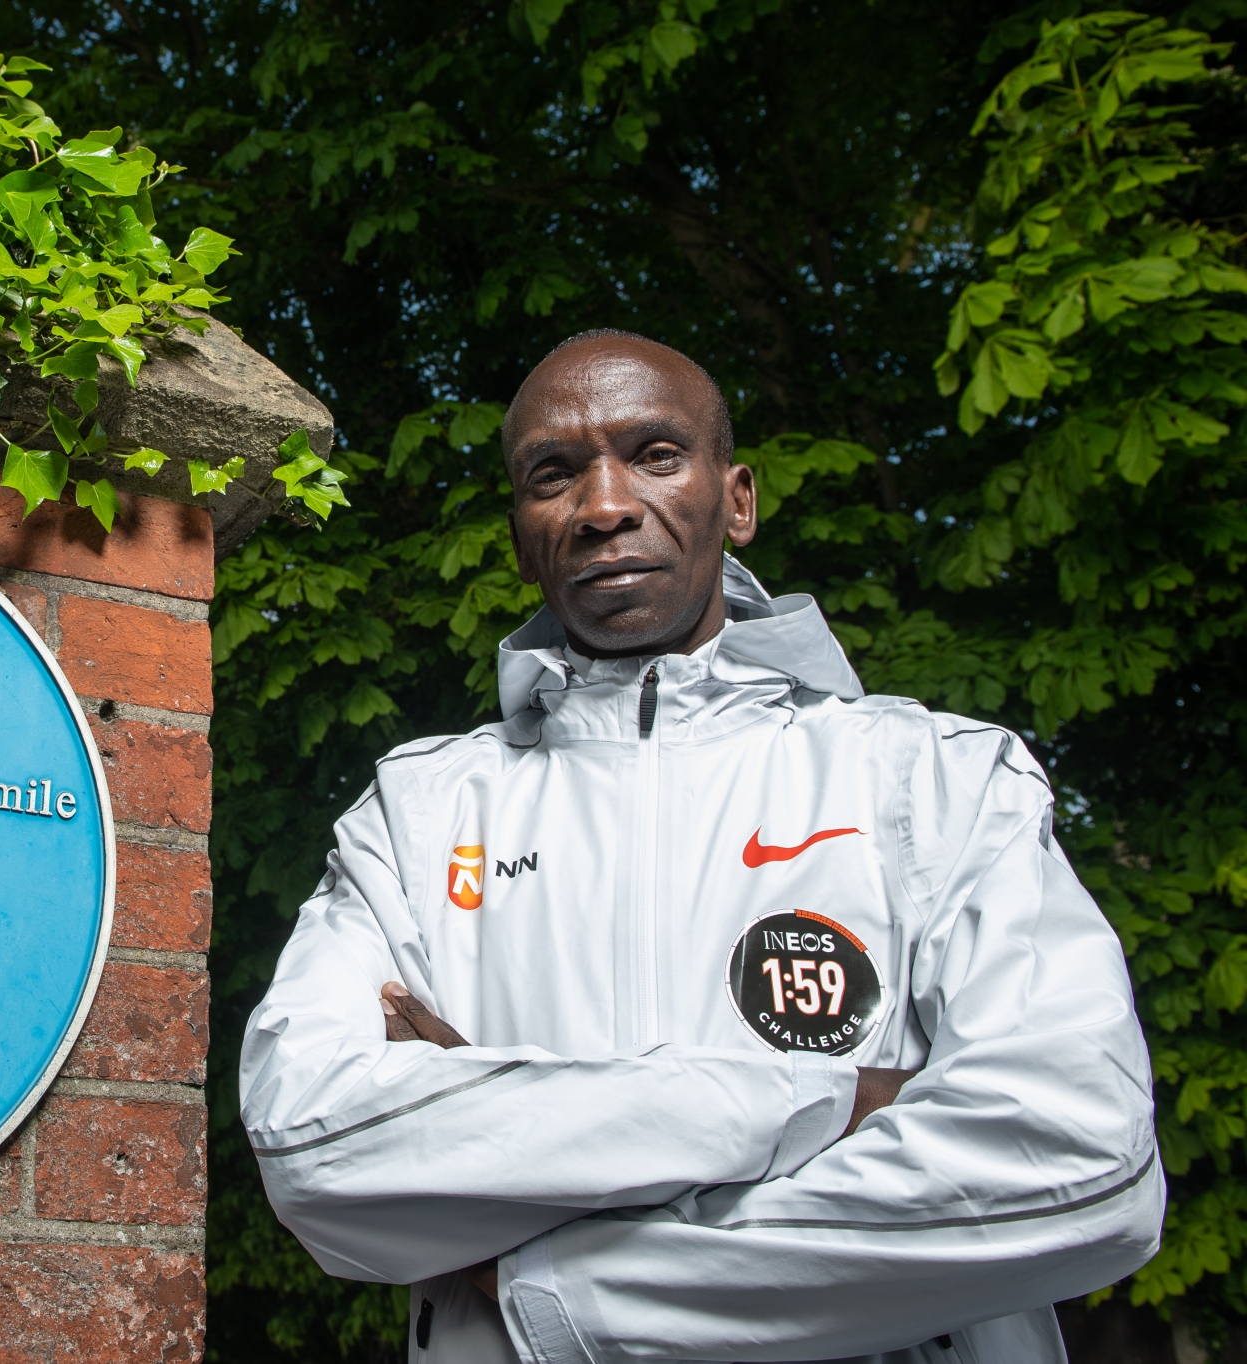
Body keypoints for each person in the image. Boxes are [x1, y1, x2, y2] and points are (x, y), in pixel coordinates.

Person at [237, 331, 1162, 1363]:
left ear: (736, 500)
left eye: (654, 454)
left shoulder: (932, 779)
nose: (603, 505)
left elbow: (1082, 1155)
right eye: (553, 472)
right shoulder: (416, 812)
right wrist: (829, 1098)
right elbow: (312, 1144)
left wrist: (555, 1276)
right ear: (518, 530)